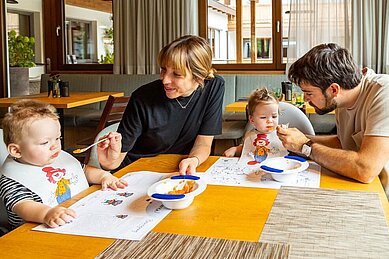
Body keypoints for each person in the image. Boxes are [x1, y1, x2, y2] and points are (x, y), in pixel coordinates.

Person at [98, 35, 225, 175]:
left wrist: (194, 160)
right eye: (163, 69)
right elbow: (116, 161)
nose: (164, 80)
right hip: (138, 171)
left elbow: (204, 142)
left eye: (176, 74)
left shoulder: (214, 86)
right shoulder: (142, 98)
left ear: (199, 76)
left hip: (175, 170)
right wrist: (108, 161)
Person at [0, 100, 128, 229]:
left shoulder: (58, 157)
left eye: (58, 138)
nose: (55, 146)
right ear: (16, 150)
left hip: (76, 217)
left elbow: (84, 171)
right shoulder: (13, 179)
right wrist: (47, 213)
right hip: (34, 233)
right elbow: (23, 205)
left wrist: (104, 177)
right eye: (45, 142)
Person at [276, 43, 389, 188]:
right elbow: (343, 143)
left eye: (309, 93)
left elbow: (365, 169)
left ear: (334, 89)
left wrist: (305, 146)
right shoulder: (342, 99)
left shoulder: (383, 93)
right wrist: (298, 139)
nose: (305, 99)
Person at [223, 88, 288, 164]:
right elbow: (247, 149)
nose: (270, 121)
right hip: (254, 169)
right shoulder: (250, 135)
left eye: (274, 116)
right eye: (263, 117)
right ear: (252, 119)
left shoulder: (281, 133)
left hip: (278, 166)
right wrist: (236, 149)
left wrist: (286, 134)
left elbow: (293, 145)